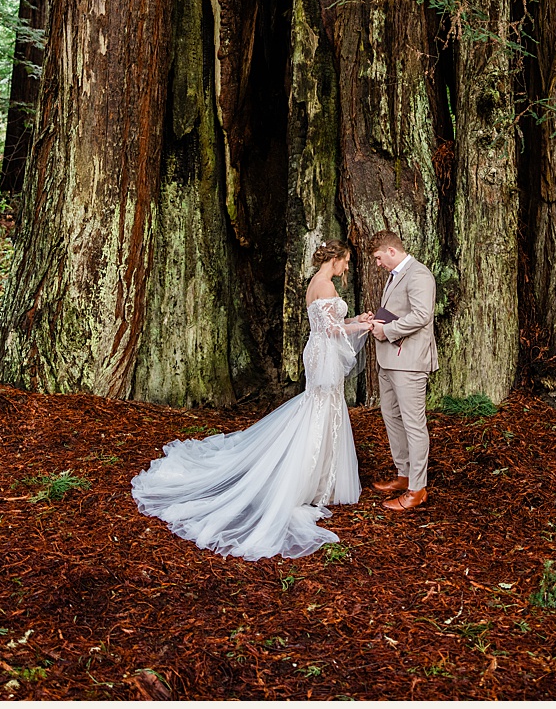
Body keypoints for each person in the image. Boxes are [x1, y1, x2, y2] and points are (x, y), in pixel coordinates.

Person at [132, 242, 371, 560]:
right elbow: (331, 330)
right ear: (336, 259)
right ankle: (305, 481)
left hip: (317, 353)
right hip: (323, 354)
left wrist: (354, 319)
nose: (347, 267)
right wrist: (364, 326)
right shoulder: (326, 284)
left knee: (320, 407)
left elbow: (329, 325)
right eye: (346, 262)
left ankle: (319, 479)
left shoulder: (316, 282)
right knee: (321, 409)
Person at [360, 229, 438, 512]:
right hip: (389, 359)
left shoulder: (419, 275)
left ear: (392, 251)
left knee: (413, 424)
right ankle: (403, 474)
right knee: (391, 416)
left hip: (410, 362)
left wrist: (387, 330)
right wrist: (377, 320)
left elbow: (421, 315)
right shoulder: (395, 276)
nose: (378, 264)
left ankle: (417, 489)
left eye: (379, 258)